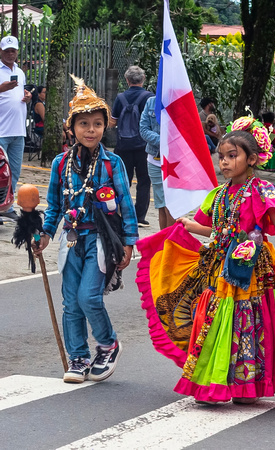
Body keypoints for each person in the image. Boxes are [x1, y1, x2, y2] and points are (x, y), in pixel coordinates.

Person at [136, 117, 275, 405]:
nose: (225, 162)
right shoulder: (217, 195)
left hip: (250, 269)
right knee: (214, 318)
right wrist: (190, 226)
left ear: (252, 159)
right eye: (221, 157)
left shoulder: (262, 191)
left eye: (232, 156)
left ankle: (245, 383)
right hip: (218, 266)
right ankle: (211, 380)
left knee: (248, 321)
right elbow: (214, 229)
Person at [32, 79, 139, 383]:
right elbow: (53, 206)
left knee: (89, 297)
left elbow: (125, 207)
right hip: (70, 239)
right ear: (72, 129)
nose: (90, 130)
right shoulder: (60, 163)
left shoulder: (112, 163)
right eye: (83, 124)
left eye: (96, 124)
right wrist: (45, 234)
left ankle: (108, 344)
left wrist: (129, 243)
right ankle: (77, 357)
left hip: (100, 241)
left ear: (105, 127)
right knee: (70, 301)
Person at [111, 65, 153, 228]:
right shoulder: (149, 98)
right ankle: (140, 217)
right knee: (144, 181)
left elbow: (113, 120)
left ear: (127, 80)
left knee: (122, 180)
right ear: (143, 79)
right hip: (144, 146)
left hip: (123, 146)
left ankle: (121, 213)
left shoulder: (120, 98)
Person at [0, 35, 32, 221]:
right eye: (7, 51)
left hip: (18, 130)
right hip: (2, 130)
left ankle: (6, 206)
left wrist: (26, 97)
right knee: (0, 173)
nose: (10, 54)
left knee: (15, 171)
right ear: (1, 52)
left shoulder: (20, 72)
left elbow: (19, 95)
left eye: (13, 50)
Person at [140, 96, 175, 230]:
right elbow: (143, 130)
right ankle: (164, 241)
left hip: (176, 160)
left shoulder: (180, 100)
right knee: (161, 204)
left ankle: (172, 243)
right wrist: (164, 140)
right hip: (155, 160)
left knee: (171, 205)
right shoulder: (151, 102)